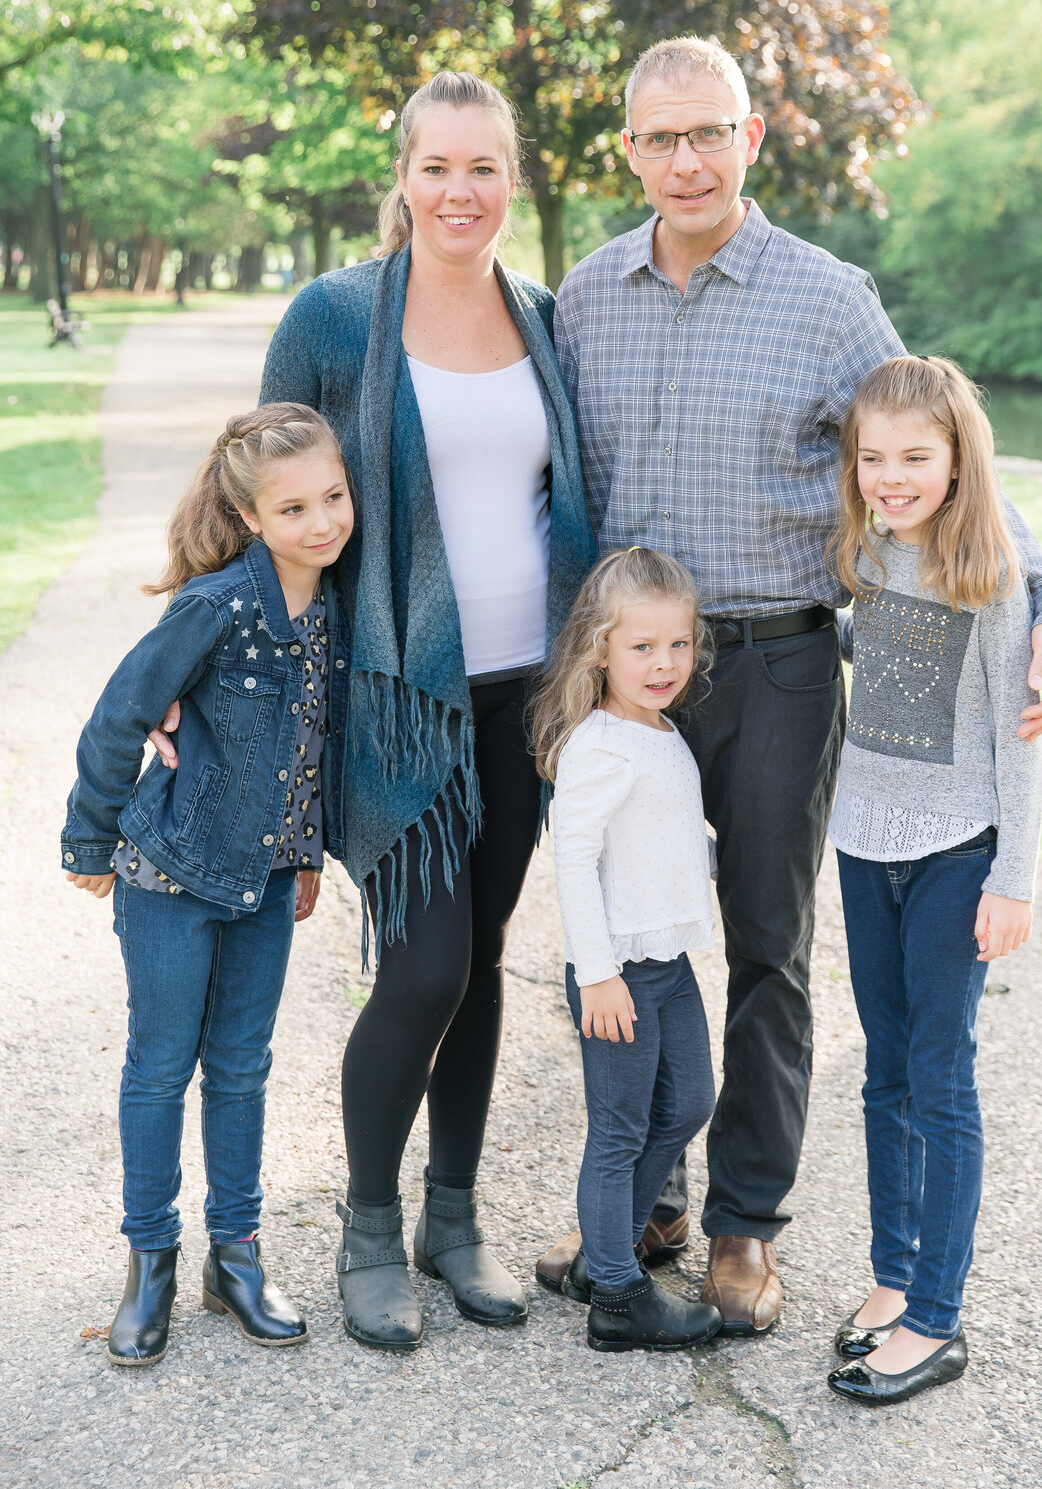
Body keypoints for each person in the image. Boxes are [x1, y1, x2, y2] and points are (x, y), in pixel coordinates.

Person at [545, 35, 1042, 1335]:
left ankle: (744, 1230)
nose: (686, 160)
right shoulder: (584, 295)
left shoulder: (829, 298)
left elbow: (941, 456)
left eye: (708, 133)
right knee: (631, 939)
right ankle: (645, 1195)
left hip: (785, 661)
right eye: (659, 138)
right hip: (632, 684)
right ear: (627, 150)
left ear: (752, 139)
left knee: (771, 953)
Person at [253, 71, 594, 1351]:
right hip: (395, 698)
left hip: (527, 690)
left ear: (515, 177)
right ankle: (369, 1226)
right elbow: (255, 489)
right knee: (426, 962)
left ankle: (456, 1223)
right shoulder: (337, 317)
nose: (461, 191)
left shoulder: (546, 316)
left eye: (485, 168)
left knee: (484, 956)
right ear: (403, 175)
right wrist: (199, 674)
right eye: (438, 167)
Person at [61, 404, 353, 1366]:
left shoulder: (338, 609)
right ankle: (150, 1259)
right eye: (294, 507)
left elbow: (308, 750)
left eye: (333, 497)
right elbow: (118, 715)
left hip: (265, 883)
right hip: (173, 876)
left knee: (242, 1066)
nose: (321, 522)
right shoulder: (216, 607)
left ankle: (237, 1256)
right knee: (159, 1065)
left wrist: (305, 852)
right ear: (251, 516)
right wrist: (89, 841)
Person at [823, 355, 1042, 1404]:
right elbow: (867, 657)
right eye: (875, 457)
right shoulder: (863, 549)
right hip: (863, 843)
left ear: (960, 458)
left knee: (940, 1077)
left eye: (917, 456)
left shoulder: (992, 575)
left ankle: (939, 1319)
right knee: (883, 1070)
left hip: (958, 850)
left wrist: (1016, 876)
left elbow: (1019, 741)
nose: (893, 475)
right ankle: (892, 1273)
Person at [528, 548, 723, 1353]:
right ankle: (615, 1294)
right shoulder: (599, 744)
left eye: (677, 645)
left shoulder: (663, 731)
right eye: (641, 647)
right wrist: (597, 973)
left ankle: (605, 1252)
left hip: (668, 962)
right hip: (618, 974)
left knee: (687, 1104)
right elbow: (571, 859)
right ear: (599, 649)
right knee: (618, 1129)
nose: (663, 663)